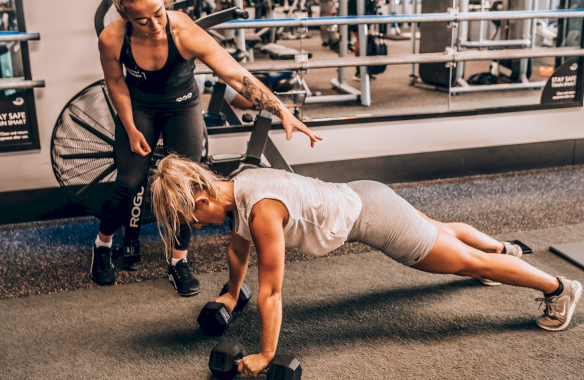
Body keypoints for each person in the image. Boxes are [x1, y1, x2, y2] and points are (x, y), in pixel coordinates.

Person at [149, 154, 582, 377]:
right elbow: (237, 249)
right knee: (442, 230)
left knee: (467, 263)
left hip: (373, 219)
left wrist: (266, 354)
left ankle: (558, 289)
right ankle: (506, 251)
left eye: (191, 218)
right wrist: (229, 291)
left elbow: (273, 291)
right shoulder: (238, 183)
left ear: (201, 199)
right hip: (362, 193)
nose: (196, 226)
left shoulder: (262, 211)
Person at [91, 0, 322, 296]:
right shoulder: (112, 39)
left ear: (165, 3)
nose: (154, 25)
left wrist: (281, 109)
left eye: (159, 13)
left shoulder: (183, 31)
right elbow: (116, 82)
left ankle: (178, 262)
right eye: (141, 20)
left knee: (187, 188)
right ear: (125, 17)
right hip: (139, 109)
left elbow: (233, 73)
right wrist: (130, 127)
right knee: (128, 182)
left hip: (182, 107)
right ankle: (102, 245)